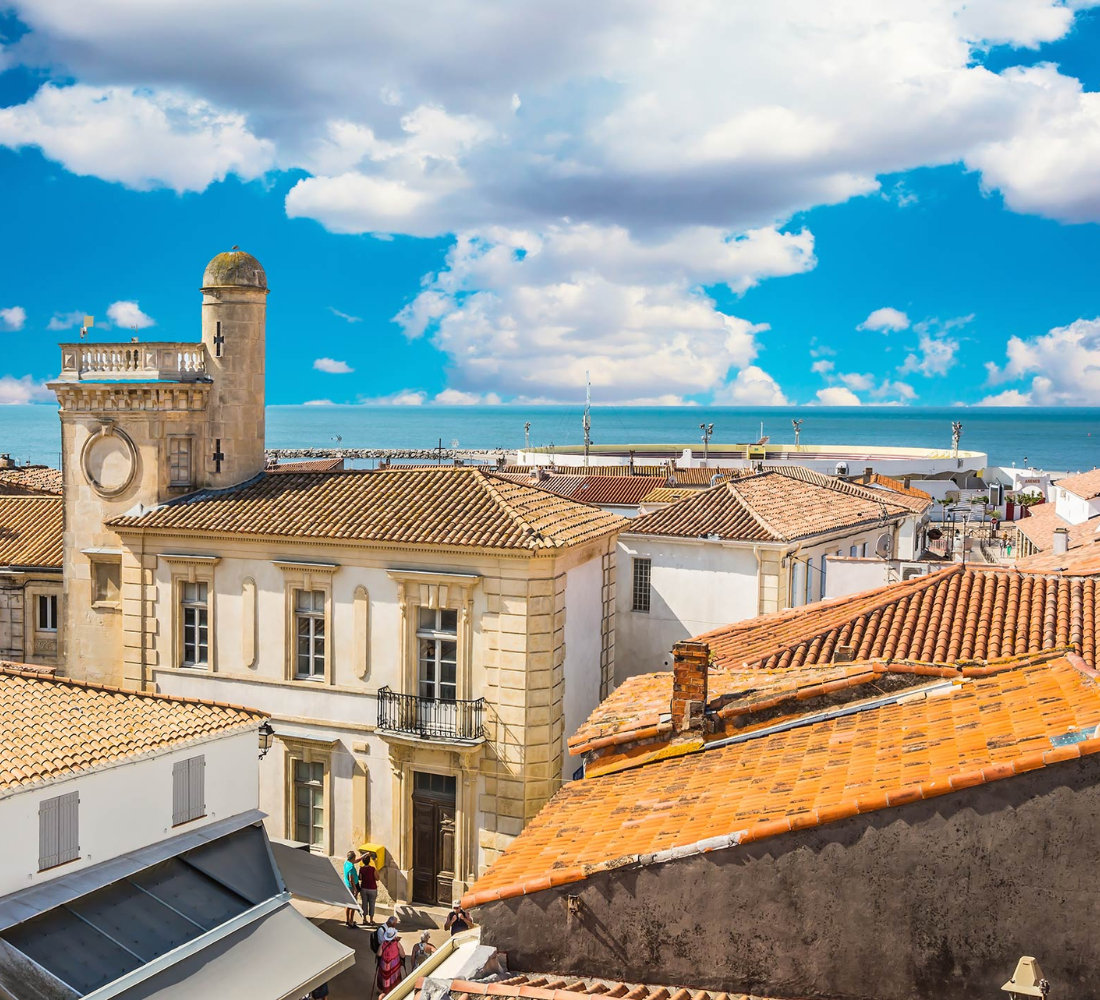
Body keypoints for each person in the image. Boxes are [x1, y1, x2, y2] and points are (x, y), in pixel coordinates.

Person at [375, 921, 405, 995]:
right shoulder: (397, 943)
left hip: (384, 964)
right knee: (394, 978)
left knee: (384, 978)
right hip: (394, 964)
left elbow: (379, 954)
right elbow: (403, 955)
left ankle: (383, 991)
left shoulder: (383, 943)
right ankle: (393, 992)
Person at [342, 850, 361, 928]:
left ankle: (347, 920)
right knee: (353, 905)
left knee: (347, 904)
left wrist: (363, 857)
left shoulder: (346, 863)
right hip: (352, 887)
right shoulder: (351, 867)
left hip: (346, 886)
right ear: (353, 857)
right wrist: (355, 889)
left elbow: (355, 861)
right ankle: (351, 922)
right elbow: (351, 879)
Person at [358, 851, 378, 925]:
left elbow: (360, 878)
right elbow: (377, 878)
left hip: (364, 888)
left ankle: (364, 919)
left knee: (364, 904)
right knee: (372, 904)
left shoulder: (361, 869)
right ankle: (371, 920)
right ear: (369, 861)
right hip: (372, 888)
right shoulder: (372, 869)